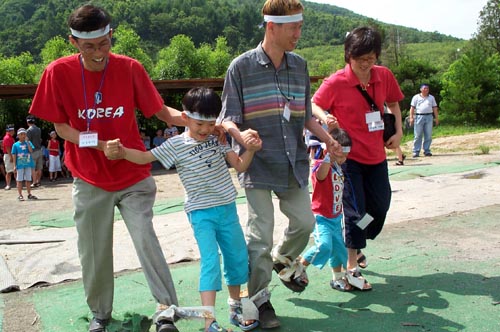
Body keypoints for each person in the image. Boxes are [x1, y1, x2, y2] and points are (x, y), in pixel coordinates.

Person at [28, 4, 185, 332]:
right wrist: (99, 144)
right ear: (74, 43)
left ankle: (167, 310)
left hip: (133, 176)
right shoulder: (57, 72)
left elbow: (160, 111)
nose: (98, 53)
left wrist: (194, 121)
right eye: (89, 47)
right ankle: (100, 314)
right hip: (89, 178)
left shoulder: (130, 68)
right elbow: (61, 129)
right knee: (94, 250)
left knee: (146, 239)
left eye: (104, 43)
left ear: (111, 35)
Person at [219, 0, 342, 328]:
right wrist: (240, 134)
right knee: (260, 235)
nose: (298, 33)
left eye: (300, 26)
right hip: (258, 164)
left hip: (293, 163)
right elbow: (227, 119)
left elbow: (304, 117)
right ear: (272, 27)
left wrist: (328, 139)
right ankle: (261, 300)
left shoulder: (299, 66)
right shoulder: (240, 67)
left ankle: (282, 259)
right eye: (293, 27)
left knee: (305, 222)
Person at [108, 87, 263, 332]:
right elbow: (145, 158)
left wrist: (250, 149)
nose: (205, 129)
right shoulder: (176, 144)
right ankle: (209, 321)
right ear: (185, 118)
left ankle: (235, 307)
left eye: (211, 123)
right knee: (210, 261)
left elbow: (240, 166)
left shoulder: (217, 138)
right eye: (200, 123)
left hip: (228, 208)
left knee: (237, 258)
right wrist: (122, 152)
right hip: (201, 213)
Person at [312, 26, 404, 291]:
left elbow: (395, 104)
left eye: (371, 59)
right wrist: (324, 115)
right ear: (348, 56)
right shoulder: (336, 82)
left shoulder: (383, 75)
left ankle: (358, 240)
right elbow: (313, 103)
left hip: (376, 158)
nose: (366, 65)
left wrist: (398, 132)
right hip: (348, 160)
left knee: (379, 207)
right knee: (355, 213)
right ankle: (351, 265)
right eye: (361, 60)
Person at [300, 128, 353, 291]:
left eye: (346, 155)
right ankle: (300, 267)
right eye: (340, 154)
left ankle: (337, 278)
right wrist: (328, 156)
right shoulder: (320, 164)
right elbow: (321, 176)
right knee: (324, 245)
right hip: (321, 216)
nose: (344, 159)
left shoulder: (339, 166)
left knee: (339, 250)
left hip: (336, 217)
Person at [409, 84, 439, 157]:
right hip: (419, 116)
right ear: (421, 89)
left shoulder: (431, 98)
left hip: (429, 116)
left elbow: (435, 108)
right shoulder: (416, 97)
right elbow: (412, 108)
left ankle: (427, 150)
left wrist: (437, 118)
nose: (426, 90)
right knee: (418, 134)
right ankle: (416, 151)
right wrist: (411, 117)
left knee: (428, 135)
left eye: (427, 88)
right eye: (425, 88)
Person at [11, 128, 37, 201]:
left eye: (24, 134)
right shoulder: (15, 145)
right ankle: (20, 195)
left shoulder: (28, 143)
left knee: (28, 179)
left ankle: (29, 194)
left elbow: (31, 150)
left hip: (28, 164)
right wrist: (14, 165)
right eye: (21, 134)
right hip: (20, 165)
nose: (23, 135)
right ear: (18, 135)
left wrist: (28, 142)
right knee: (19, 180)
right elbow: (14, 155)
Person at [26, 116, 44, 187]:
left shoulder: (29, 131)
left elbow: (28, 141)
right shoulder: (38, 129)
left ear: (27, 122)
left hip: (32, 151)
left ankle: (34, 182)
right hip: (39, 150)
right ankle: (38, 181)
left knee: (32, 168)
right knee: (39, 167)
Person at [2, 125, 15, 190]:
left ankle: (17, 183)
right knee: (9, 171)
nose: (13, 132)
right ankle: (8, 185)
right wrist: (11, 157)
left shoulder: (10, 137)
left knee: (15, 170)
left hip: (11, 155)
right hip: (8, 155)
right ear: (9, 131)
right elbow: (7, 148)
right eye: (12, 131)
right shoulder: (7, 138)